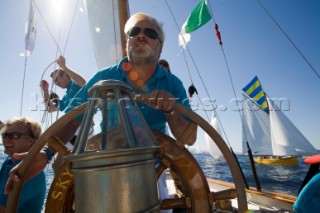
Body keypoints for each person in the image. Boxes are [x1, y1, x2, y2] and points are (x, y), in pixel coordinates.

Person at [6, 12, 197, 212]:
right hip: (106, 164)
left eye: (150, 33)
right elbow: (72, 120)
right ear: (127, 42)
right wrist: (45, 152)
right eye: (135, 31)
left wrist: (171, 111)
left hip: (152, 167)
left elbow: (190, 138)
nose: (141, 35)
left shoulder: (173, 85)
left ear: (160, 47)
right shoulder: (104, 76)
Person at [0, 117, 46, 213]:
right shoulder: (10, 162)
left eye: (14, 136)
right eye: (4, 135)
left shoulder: (31, 171)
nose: (5, 140)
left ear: (30, 141)